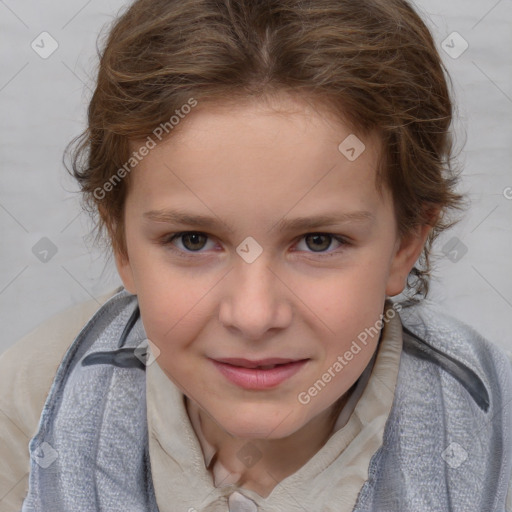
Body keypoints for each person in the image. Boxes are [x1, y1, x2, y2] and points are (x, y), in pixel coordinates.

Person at [1, 0, 511, 510]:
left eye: (318, 241)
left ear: (407, 243)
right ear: (122, 245)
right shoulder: (33, 408)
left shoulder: (494, 440)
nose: (253, 315)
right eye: (193, 240)